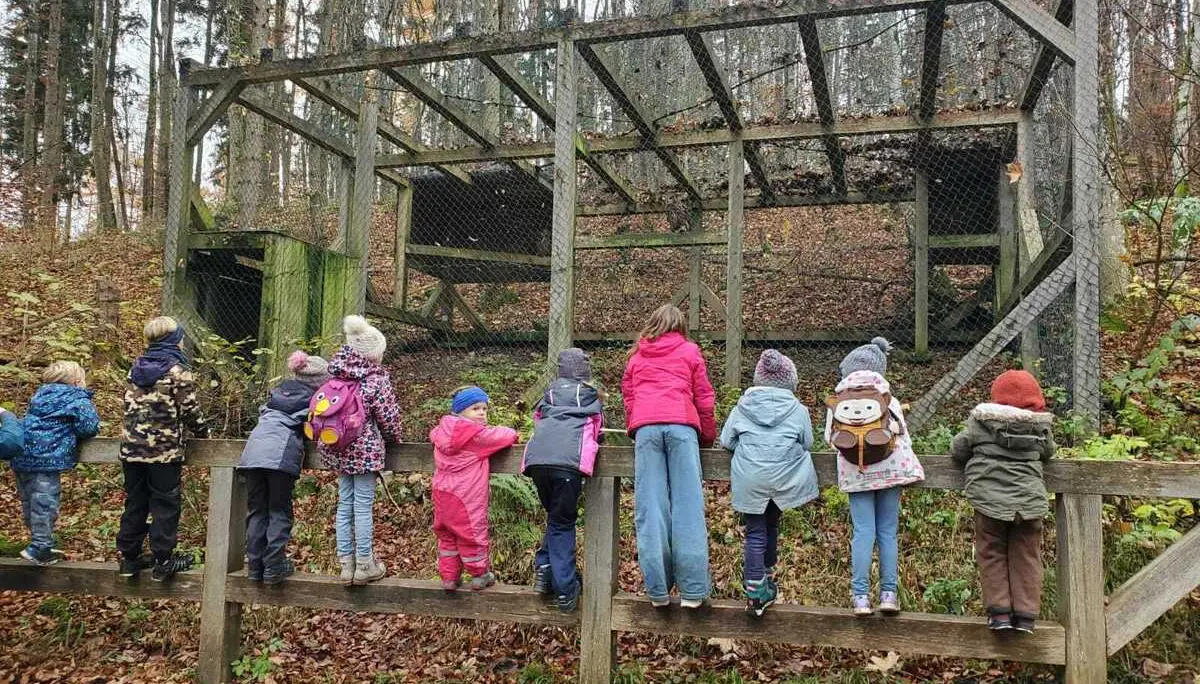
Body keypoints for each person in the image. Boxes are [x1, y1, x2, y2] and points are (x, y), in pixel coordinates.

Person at [621, 304, 716, 608]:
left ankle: (658, 590)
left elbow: (629, 398)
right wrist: (708, 434)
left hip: (647, 430)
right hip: (682, 427)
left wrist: (634, 425)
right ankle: (692, 590)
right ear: (680, 326)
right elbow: (704, 395)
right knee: (688, 506)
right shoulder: (690, 351)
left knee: (650, 507)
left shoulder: (636, 357)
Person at [824, 337, 924, 616]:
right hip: (890, 473)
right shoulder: (886, 397)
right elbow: (902, 431)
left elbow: (830, 440)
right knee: (888, 532)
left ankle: (860, 597)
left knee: (863, 532)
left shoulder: (839, 399)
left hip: (857, 474)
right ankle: (889, 594)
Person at [951, 369, 1055, 634]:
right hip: (1029, 503)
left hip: (989, 500)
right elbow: (1048, 453)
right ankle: (1026, 615)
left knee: (992, 552)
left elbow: (959, 448)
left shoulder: (981, 422)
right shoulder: (1040, 428)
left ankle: (999, 615)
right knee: (1027, 555)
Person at [719, 350, 818, 616]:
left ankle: (755, 590)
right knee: (772, 523)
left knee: (755, 531)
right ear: (791, 381)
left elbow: (726, 441)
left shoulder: (741, 407)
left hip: (751, 477)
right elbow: (807, 442)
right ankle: (766, 574)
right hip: (784, 476)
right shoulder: (798, 410)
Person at [118, 316, 208, 581]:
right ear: (173, 339)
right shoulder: (177, 371)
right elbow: (189, 409)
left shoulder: (135, 368)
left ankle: (128, 558)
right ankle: (163, 559)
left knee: (136, 501)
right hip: (163, 451)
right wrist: (204, 433)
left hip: (132, 449)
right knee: (165, 503)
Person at [316, 315, 403, 586]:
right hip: (364, 453)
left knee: (345, 505)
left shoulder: (334, 374)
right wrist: (394, 439)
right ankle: (365, 564)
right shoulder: (376, 380)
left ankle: (346, 565)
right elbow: (388, 418)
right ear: (374, 354)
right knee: (363, 507)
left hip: (338, 449)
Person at [521, 348, 604, 613]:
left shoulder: (549, 394)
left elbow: (537, 421)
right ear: (585, 372)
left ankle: (544, 570)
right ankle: (566, 589)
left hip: (537, 462)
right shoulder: (591, 397)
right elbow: (598, 428)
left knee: (555, 518)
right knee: (563, 523)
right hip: (567, 465)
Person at [237, 351, 330, 585]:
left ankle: (255, 565)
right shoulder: (314, 401)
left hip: (252, 454)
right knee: (279, 509)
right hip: (279, 456)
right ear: (320, 382)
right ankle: (274, 565)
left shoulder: (278, 392)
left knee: (257, 509)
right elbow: (318, 429)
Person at [430, 386, 519, 592]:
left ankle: (449, 578)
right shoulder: (476, 437)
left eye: (484, 409)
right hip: (466, 497)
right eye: (475, 408)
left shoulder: (441, 432)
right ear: (460, 411)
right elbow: (503, 436)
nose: (481, 413)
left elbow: (433, 433)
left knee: (448, 537)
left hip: (442, 494)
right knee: (472, 535)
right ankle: (479, 574)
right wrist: (514, 433)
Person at [12, 361, 100, 565]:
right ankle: (40, 547)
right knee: (45, 502)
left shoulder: (40, 395)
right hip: (46, 459)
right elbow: (88, 427)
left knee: (30, 501)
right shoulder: (77, 398)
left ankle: (38, 541)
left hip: (21, 454)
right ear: (78, 381)